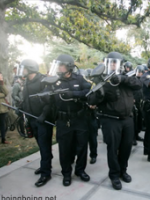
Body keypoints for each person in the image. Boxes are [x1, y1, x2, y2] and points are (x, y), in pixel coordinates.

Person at [88, 52, 142, 190]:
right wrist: (101, 90)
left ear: (121, 64)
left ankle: (123, 171)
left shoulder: (127, 76)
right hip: (110, 120)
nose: (113, 64)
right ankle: (114, 175)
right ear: (106, 63)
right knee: (112, 149)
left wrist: (122, 79)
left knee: (126, 148)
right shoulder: (102, 79)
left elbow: (138, 85)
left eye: (115, 62)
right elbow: (92, 100)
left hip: (128, 119)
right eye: (110, 62)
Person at [48, 54, 91, 186]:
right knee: (64, 148)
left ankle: (80, 170)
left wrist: (73, 94)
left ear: (69, 66)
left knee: (82, 146)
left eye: (61, 65)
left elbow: (88, 91)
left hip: (79, 118)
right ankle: (66, 173)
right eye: (58, 65)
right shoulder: (54, 81)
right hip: (63, 120)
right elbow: (47, 98)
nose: (59, 68)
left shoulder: (79, 78)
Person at [17, 59, 53, 187]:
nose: (22, 71)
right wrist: (21, 108)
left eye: (24, 68)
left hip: (43, 120)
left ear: (30, 68)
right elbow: (27, 99)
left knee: (44, 146)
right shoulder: (26, 81)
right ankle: (46, 163)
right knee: (41, 144)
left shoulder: (43, 81)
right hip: (32, 119)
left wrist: (43, 115)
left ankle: (46, 173)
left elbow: (50, 100)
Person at [0, 72, 9, 144]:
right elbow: (3, 94)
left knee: (3, 124)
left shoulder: (1, 85)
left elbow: (6, 92)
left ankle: (3, 139)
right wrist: (2, 95)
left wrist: (2, 83)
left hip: (2, 109)